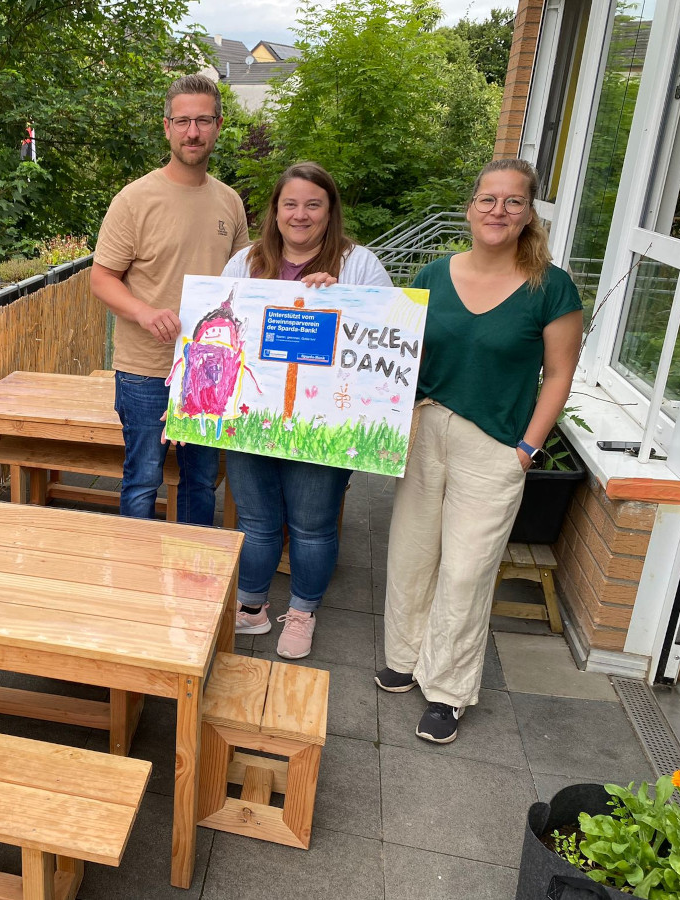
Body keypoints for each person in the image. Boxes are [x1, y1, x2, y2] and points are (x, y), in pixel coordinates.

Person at [377, 158, 583, 744]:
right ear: (469, 208)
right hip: (424, 430)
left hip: (493, 444)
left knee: (466, 571)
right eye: (488, 199)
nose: (499, 210)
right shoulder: (434, 274)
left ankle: (447, 690)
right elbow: (395, 349)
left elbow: (559, 375)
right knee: (413, 554)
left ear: (528, 214)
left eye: (513, 201)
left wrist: (526, 449)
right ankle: (403, 655)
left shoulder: (551, 285)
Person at [222, 162, 393, 659]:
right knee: (255, 520)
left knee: (312, 525)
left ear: (329, 211)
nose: (300, 214)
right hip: (252, 419)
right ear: (274, 212)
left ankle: (301, 611)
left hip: (325, 423)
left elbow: (385, 342)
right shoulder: (245, 262)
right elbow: (221, 329)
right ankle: (251, 607)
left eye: (313, 204)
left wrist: (343, 299)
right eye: (290, 204)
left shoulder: (359, 264)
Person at [91, 74, 249, 526]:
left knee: (201, 481)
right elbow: (101, 279)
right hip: (145, 369)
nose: (192, 132)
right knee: (142, 479)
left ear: (218, 125)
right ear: (167, 127)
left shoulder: (230, 203)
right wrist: (143, 312)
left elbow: (245, 281)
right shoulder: (135, 200)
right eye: (182, 121)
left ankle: (194, 583)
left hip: (209, 369)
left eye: (202, 120)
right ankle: (135, 579)